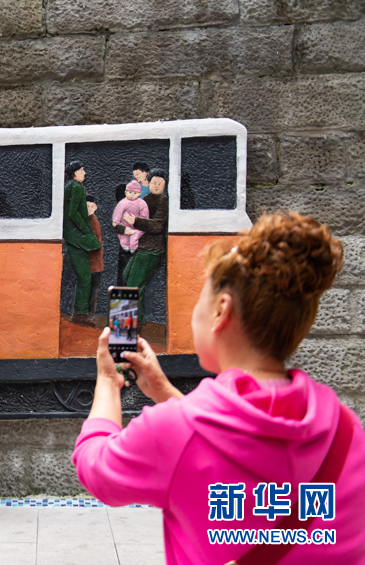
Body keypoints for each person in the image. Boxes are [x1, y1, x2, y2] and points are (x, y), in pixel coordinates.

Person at [73, 211, 365, 564]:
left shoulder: (172, 430)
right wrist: (167, 394)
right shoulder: (346, 429)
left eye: (201, 298)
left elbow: (96, 468)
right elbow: (225, 442)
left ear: (220, 312)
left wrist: (107, 380)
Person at [121, 168, 169, 322]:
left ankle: (125, 328)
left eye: (159, 183)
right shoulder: (146, 198)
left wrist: (136, 221)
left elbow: (158, 226)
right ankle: (137, 321)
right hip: (141, 248)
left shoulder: (163, 200)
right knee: (128, 277)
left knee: (132, 286)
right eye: (154, 182)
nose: (156, 185)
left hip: (151, 249)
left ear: (165, 185)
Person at [62, 161, 101, 328]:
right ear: (74, 173)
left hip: (72, 238)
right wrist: (86, 229)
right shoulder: (76, 187)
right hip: (77, 239)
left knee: (83, 277)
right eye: (81, 170)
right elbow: (72, 212)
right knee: (85, 278)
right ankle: (80, 314)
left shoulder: (69, 186)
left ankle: (79, 313)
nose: (84, 172)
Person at [86, 195, 104, 319]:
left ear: (95, 207)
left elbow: (95, 243)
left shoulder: (93, 221)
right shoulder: (89, 220)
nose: (88, 209)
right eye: (85, 206)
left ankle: (90, 316)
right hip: (91, 263)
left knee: (92, 291)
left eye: (90, 206)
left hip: (94, 263)